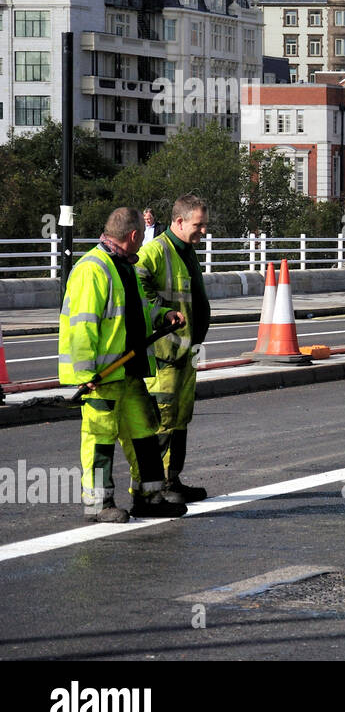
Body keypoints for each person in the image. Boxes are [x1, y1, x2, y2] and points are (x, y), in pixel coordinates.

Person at [60, 207, 187, 523]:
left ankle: (149, 497)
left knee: (144, 433)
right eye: (142, 236)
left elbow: (136, 313)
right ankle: (99, 504)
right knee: (100, 439)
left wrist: (162, 316)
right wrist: (88, 375)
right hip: (102, 377)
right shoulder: (93, 269)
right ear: (133, 236)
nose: (144, 241)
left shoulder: (124, 267)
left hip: (128, 373)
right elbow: (82, 327)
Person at [135, 194, 211, 502]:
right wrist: (161, 312)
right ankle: (158, 487)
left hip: (187, 351)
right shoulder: (154, 251)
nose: (203, 231)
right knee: (163, 419)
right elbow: (136, 285)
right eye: (198, 225)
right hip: (165, 353)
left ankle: (173, 479)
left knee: (180, 417)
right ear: (178, 222)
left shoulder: (187, 250)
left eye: (205, 225)